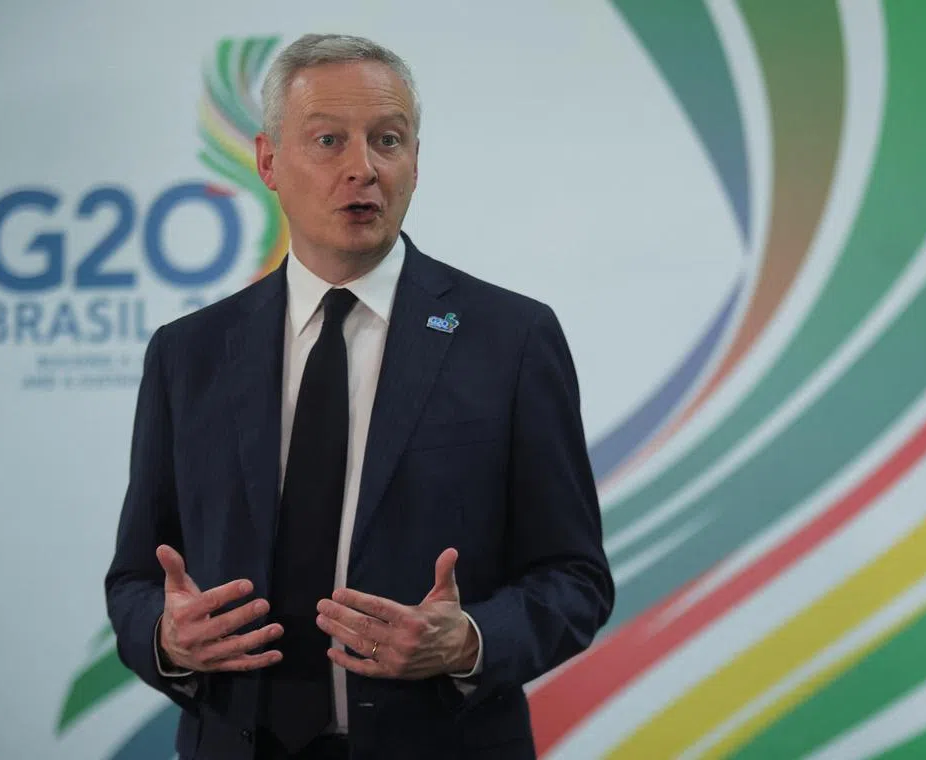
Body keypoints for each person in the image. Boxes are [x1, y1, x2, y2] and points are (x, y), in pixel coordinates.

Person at [104, 33, 614, 760]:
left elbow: (575, 579)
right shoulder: (188, 355)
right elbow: (134, 580)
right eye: (328, 140)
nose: (363, 168)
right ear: (268, 162)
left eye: (388, 140)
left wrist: (468, 640)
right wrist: (166, 635)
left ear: (415, 161)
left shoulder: (511, 338)